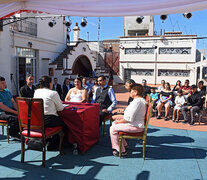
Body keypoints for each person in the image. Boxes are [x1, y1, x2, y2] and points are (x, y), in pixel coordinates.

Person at [110, 84, 147, 157]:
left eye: (131, 91)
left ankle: (121, 150)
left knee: (113, 128)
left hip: (136, 126)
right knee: (114, 124)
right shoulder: (139, 101)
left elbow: (129, 118)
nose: (129, 93)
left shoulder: (137, 102)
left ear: (135, 92)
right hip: (135, 124)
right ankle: (124, 145)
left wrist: (119, 121)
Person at [33, 76, 66, 149]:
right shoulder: (53, 93)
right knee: (65, 124)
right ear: (50, 84)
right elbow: (60, 108)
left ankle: (48, 140)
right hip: (49, 119)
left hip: (38, 119)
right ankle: (54, 144)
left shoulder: (36, 92)